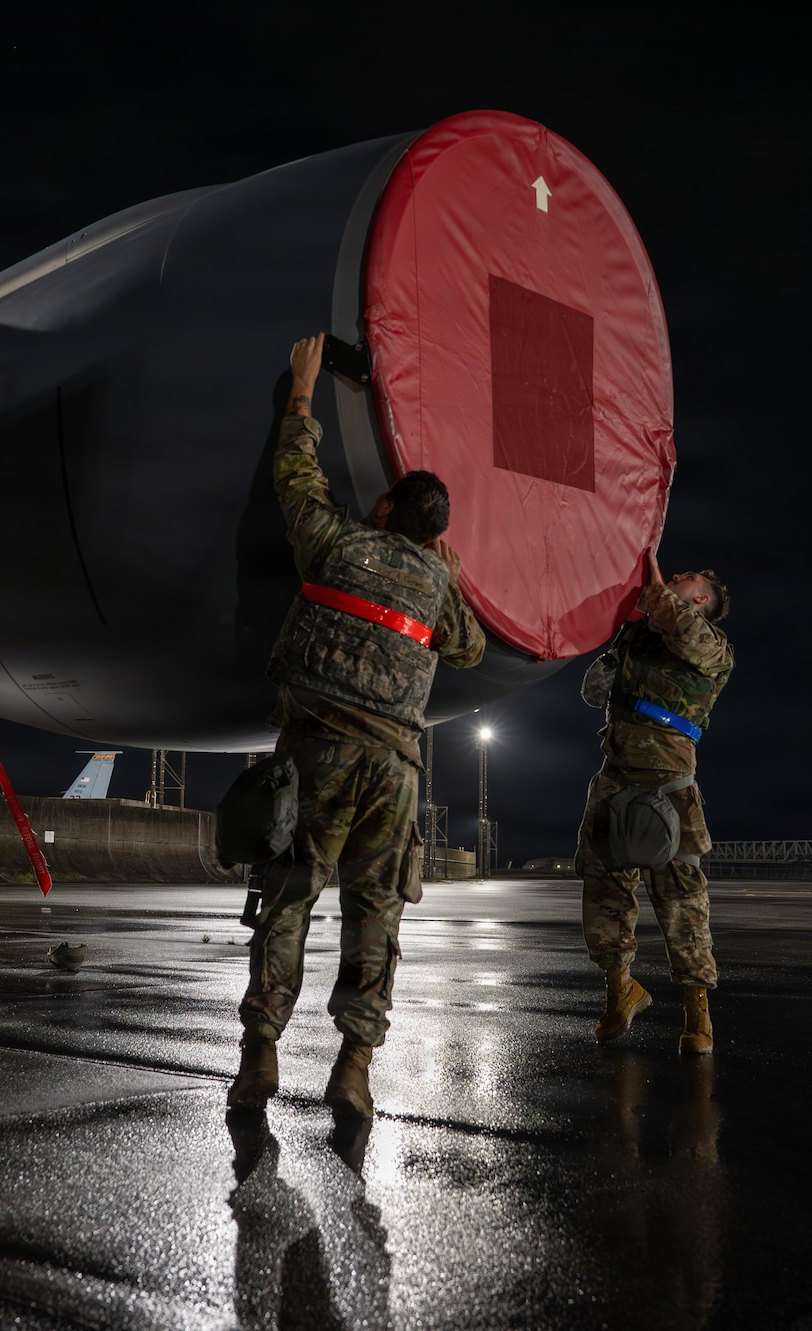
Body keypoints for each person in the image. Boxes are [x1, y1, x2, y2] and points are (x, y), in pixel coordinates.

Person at [230, 333, 484, 1117]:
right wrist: (448, 571)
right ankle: (353, 1069)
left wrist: (303, 392)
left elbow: (294, 476)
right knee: (374, 919)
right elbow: (470, 648)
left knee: (290, 900)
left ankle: (262, 1056)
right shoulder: (439, 586)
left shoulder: (338, 545)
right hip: (394, 775)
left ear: (383, 510)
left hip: (320, 755)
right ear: (434, 533)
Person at [577, 552, 734, 1054]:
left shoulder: (713, 646)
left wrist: (655, 595)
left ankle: (697, 1013)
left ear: (702, 599)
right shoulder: (639, 635)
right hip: (615, 776)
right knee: (603, 893)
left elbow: (681, 628)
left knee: (682, 900)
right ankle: (620, 992)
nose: (677, 577)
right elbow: (591, 692)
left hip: (669, 783)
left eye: (689, 578)